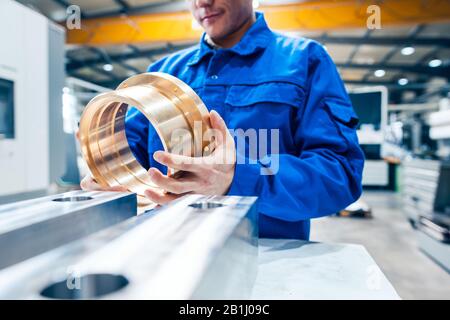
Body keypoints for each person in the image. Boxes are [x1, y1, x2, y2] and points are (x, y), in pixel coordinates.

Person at [81, 0, 365, 240]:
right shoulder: (164, 74)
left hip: (268, 261)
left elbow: (339, 175)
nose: (202, 1)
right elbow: (126, 158)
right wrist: (109, 182)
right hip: (168, 254)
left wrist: (238, 178)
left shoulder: (304, 61)